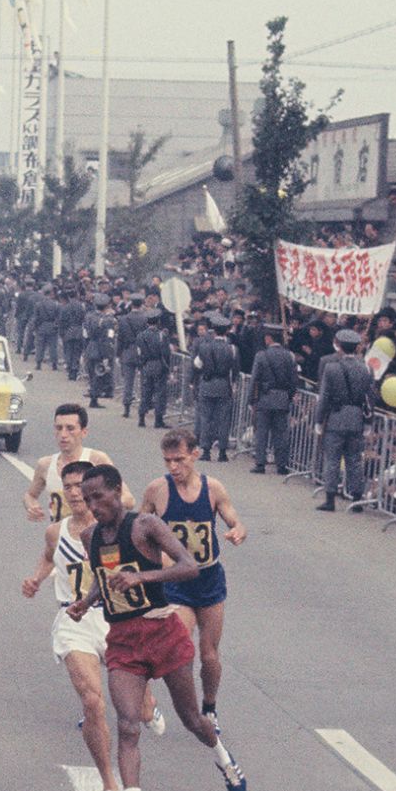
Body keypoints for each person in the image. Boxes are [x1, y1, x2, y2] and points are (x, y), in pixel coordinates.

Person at [66, 465, 246, 791]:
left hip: (162, 631)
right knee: (128, 724)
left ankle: (224, 758)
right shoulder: (90, 535)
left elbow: (189, 566)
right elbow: (104, 577)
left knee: (192, 719)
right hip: (124, 640)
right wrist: (85, 602)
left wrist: (142, 578)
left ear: (118, 492)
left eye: (99, 496)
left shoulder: (145, 526)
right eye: (88, 498)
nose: (93, 505)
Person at [21, 461, 167, 791]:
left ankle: (149, 704)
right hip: (73, 618)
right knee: (92, 701)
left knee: (139, 709)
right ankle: (109, 784)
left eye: (79, 487)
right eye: (68, 487)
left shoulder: (116, 530)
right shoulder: (56, 532)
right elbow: (48, 557)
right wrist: (37, 579)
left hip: (115, 618)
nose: (73, 493)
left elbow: (153, 562)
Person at [141, 429, 247, 729]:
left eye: (180, 460)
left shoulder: (213, 488)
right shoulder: (157, 491)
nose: (174, 467)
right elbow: (140, 528)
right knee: (181, 644)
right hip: (177, 582)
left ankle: (209, 706)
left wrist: (238, 530)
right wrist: (153, 558)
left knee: (210, 653)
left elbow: (234, 518)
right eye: (168, 461)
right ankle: (178, 708)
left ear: (195, 455)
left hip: (209, 578)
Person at [23, 403, 128, 523]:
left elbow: (128, 499)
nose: (63, 435)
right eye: (59, 428)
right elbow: (30, 495)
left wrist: (97, 504)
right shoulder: (45, 464)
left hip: (93, 537)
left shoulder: (97, 460)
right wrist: (32, 507)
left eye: (70, 428)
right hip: (60, 538)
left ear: (84, 432)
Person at [315, 329, 373, 512]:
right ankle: (357, 498)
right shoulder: (366, 368)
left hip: (336, 417)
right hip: (356, 417)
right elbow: (370, 397)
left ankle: (330, 498)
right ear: (356, 347)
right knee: (354, 459)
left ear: (339, 345)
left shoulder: (331, 368)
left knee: (332, 459)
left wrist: (318, 419)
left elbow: (324, 397)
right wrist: (369, 422)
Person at [250, 328, 299, 474]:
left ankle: (260, 463)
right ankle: (281, 465)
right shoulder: (289, 356)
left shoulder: (261, 355)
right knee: (281, 434)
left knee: (262, 432)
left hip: (265, 397)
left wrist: (251, 399)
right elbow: (293, 379)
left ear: (269, 339)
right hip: (282, 397)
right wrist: (289, 396)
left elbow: (254, 379)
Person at [193, 312, 239, 460]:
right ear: (226, 331)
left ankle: (205, 451)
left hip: (206, 384)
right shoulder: (232, 349)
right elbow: (235, 371)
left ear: (213, 330)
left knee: (206, 418)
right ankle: (222, 452)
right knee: (223, 420)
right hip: (224, 385)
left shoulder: (204, 346)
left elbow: (197, 364)